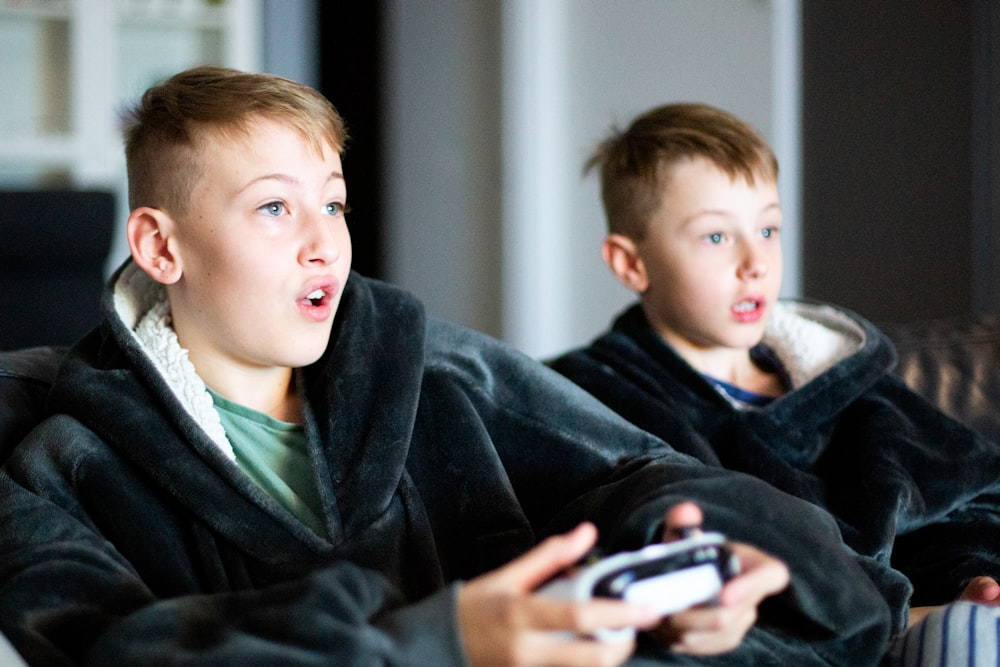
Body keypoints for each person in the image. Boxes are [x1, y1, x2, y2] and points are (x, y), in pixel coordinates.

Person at [0, 68, 891, 666]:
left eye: (334, 205)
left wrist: (694, 557)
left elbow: (643, 470)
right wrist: (442, 638)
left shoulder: (431, 368)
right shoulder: (68, 458)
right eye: (274, 209)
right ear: (161, 245)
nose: (325, 245)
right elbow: (110, 646)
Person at [546, 102, 1000, 663]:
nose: (755, 261)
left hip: (928, 621)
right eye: (716, 238)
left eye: (767, 228)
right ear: (630, 264)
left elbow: (964, 499)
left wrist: (972, 577)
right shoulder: (590, 396)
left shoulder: (843, 381)